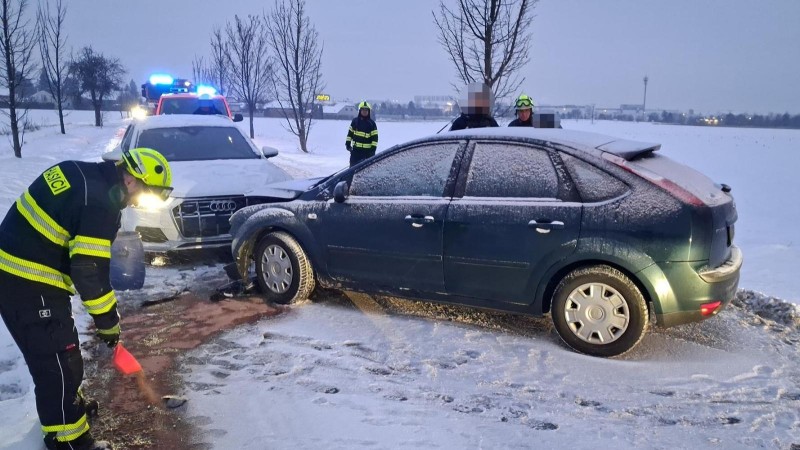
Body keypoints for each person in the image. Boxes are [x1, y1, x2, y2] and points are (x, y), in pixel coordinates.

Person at [0, 148, 173, 450]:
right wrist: (109, 323)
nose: (136, 202)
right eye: (145, 194)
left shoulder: (82, 174)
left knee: (62, 354)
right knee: (58, 364)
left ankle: (70, 411)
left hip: (24, 275)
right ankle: (70, 441)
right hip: (27, 282)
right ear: (132, 179)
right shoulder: (99, 204)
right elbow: (88, 271)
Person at [345, 101, 378, 167]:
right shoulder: (354, 121)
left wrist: (372, 151)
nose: (364, 111)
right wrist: (348, 144)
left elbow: (375, 139)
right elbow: (350, 134)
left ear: (369, 111)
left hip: (367, 153)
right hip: (355, 152)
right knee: (352, 170)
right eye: (363, 110)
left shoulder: (372, 124)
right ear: (360, 111)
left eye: (366, 110)